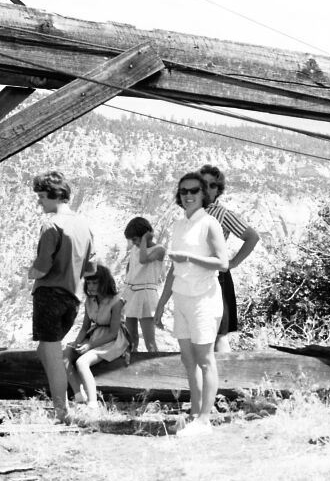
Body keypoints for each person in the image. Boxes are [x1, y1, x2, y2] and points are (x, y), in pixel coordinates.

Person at [154, 172, 229, 436]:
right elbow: (175, 268)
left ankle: (205, 420)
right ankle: (195, 413)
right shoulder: (178, 225)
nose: (188, 195)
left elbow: (223, 262)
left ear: (203, 194)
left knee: (205, 359)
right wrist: (162, 303)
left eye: (194, 191)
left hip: (204, 299)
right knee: (188, 360)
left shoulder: (210, 224)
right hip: (182, 298)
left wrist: (189, 258)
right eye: (184, 191)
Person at [27, 170, 97, 423]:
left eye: (42, 197)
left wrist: (29, 273)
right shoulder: (84, 225)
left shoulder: (51, 224)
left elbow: (42, 267)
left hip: (49, 295)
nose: (39, 202)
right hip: (72, 298)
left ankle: (61, 410)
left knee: (52, 353)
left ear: (55, 195)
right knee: (44, 351)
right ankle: (69, 400)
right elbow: (91, 268)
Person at [198, 164, 260, 353]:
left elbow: (252, 237)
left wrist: (233, 263)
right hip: (196, 280)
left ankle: (226, 380)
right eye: (203, 184)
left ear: (218, 190)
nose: (207, 189)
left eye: (212, 185)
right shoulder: (194, 213)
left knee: (219, 336)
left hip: (217, 279)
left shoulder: (222, 214)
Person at [64, 263, 129, 412]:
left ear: (104, 283)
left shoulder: (116, 301)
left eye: (95, 282)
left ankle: (93, 405)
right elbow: (85, 327)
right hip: (95, 334)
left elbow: (113, 332)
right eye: (88, 283)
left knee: (82, 362)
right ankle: (79, 395)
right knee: (66, 354)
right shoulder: (90, 301)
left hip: (112, 339)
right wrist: (77, 342)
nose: (91, 286)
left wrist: (90, 346)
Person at [121, 217, 167, 354]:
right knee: (131, 340)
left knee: (150, 343)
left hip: (146, 295)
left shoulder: (159, 249)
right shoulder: (135, 249)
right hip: (131, 294)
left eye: (136, 239)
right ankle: (133, 370)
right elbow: (130, 269)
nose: (134, 243)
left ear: (145, 235)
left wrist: (145, 240)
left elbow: (143, 260)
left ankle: (156, 370)